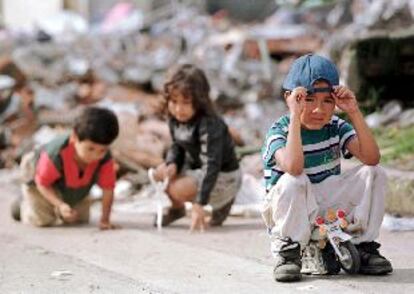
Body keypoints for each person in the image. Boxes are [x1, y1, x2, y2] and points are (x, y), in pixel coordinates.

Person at [261, 54, 392, 282]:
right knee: (295, 179)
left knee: (375, 173)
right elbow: (293, 166)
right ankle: (289, 252)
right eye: (308, 100)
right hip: (292, 210)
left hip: (325, 209)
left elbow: (372, 158)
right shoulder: (279, 131)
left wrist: (353, 111)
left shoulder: (336, 127)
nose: (318, 110)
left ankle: (364, 245)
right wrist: (294, 116)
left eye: (327, 101)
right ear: (290, 98)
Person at [154, 64, 241, 231]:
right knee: (160, 174)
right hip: (197, 167)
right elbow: (177, 146)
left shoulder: (209, 124)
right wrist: (172, 163)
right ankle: (177, 209)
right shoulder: (175, 118)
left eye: (186, 102)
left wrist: (199, 203)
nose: (179, 109)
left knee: (176, 189)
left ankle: (222, 204)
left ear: (199, 101)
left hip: (223, 175)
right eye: (174, 101)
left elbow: (211, 164)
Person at [12, 107, 120, 230]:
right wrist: (60, 205)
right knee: (42, 220)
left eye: (103, 150)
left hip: (72, 185)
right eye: (90, 149)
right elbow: (43, 183)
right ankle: (22, 206)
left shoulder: (105, 159)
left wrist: (105, 219)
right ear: (74, 137)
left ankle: (56, 207)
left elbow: (108, 189)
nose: (96, 156)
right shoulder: (55, 155)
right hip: (38, 177)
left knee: (79, 219)